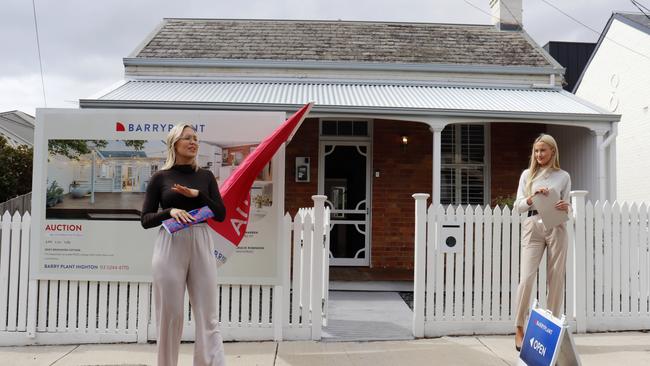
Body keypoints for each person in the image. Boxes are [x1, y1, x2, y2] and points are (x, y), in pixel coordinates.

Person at [141, 124, 227, 366]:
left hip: (201, 239)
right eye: (187, 138)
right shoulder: (161, 177)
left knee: (208, 315)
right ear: (174, 144)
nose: (193, 142)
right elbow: (145, 219)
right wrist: (170, 211)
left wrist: (197, 195)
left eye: (196, 138)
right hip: (170, 242)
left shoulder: (206, 176)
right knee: (170, 315)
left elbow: (220, 214)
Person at [513, 134, 571, 351]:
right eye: (536, 151)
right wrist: (532, 197)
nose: (538, 155)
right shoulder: (527, 175)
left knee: (555, 279)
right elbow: (518, 206)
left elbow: (568, 206)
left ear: (553, 152)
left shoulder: (563, 176)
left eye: (543, 151)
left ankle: (551, 330)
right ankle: (519, 327)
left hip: (556, 225)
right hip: (532, 225)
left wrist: (567, 207)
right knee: (526, 279)